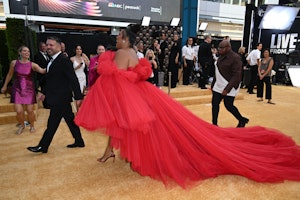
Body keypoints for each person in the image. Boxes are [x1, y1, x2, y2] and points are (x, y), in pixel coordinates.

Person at [74, 25, 300, 188]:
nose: (118, 39)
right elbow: (136, 74)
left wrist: (105, 64)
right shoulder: (132, 52)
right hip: (143, 96)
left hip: (134, 99)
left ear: (127, 40)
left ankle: (124, 156)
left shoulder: (122, 53)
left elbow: (113, 76)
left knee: (133, 127)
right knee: (136, 128)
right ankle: (115, 154)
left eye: (121, 37)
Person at [27, 36, 85, 153]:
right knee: (70, 120)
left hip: (61, 98)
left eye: (51, 45)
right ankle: (79, 141)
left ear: (59, 47)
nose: (48, 47)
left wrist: (78, 97)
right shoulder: (52, 60)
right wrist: (44, 92)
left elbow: (73, 79)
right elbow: (51, 79)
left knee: (52, 123)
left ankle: (43, 146)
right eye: (47, 45)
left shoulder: (64, 61)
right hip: (57, 96)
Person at [1, 45, 46, 134]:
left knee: (30, 110)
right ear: (20, 52)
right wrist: (5, 86)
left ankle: (32, 125)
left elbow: (43, 71)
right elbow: (9, 75)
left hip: (29, 90)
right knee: (19, 111)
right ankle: (22, 125)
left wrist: (52, 65)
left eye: (28, 51)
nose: (27, 53)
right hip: (17, 89)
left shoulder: (32, 64)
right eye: (25, 51)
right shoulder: (14, 63)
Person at [211, 40, 249, 127]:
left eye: (222, 48)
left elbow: (237, 76)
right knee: (215, 104)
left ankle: (241, 120)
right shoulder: (220, 56)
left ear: (228, 47)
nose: (219, 50)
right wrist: (213, 84)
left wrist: (227, 89)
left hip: (229, 85)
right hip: (218, 85)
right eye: (219, 48)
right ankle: (214, 124)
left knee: (228, 106)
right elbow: (217, 72)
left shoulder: (235, 58)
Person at [34, 41, 49, 108]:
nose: (43, 48)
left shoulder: (48, 55)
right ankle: (45, 104)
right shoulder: (37, 56)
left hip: (49, 76)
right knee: (43, 90)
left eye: (44, 46)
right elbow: (38, 66)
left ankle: (49, 103)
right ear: (39, 47)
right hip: (42, 77)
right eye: (42, 47)